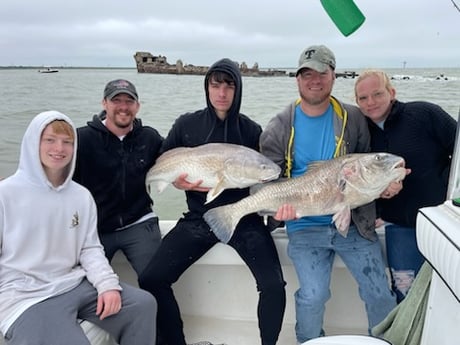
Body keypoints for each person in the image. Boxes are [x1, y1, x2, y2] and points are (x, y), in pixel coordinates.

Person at [138, 58, 287, 345]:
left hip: (244, 218)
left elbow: (268, 179)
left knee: (273, 286)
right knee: (151, 279)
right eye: (215, 85)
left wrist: (278, 210)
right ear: (207, 88)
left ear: (238, 89)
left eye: (229, 86)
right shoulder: (186, 125)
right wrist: (175, 181)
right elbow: (163, 162)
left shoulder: (252, 131)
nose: (222, 93)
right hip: (198, 219)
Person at [259, 45, 398, 343]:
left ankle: (387, 341)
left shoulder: (354, 118)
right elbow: (265, 182)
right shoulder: (279, 126)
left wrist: (389, 184)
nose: (314, 80)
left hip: (355, 223)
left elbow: (373, 166)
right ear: (297, 79)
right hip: (304, 224)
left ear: (333, 75)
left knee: (379, 291)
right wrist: (276, 213)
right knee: (312, 295)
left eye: (322, 72)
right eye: (306, 74)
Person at [0, 110, 157, 345]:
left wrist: (107, 286)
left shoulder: (80, 196)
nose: (59, 148)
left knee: (142, 305)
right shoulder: (6, 194)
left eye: (67, 142)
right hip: (25, 296)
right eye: (50, 140)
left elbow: (90, 248)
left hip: (73, 283)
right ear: (34, 142)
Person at [354, 69, 457, 303]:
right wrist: (378, 206)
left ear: (392, 92)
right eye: (363, 98)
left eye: (377, 94)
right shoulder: (362, 132)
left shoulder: (424, 113)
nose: (370, 102)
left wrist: (449, 190)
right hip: (397, 226)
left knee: (447, 295)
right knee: (405, 293)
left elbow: (458, 151)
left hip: (440, 221)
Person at [73, 79, 164, 278]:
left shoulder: (150, 138)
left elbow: (175, 163)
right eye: (117, 100)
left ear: (137, 106)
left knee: (157, 279)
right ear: (104, 103)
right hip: (95, 228)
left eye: (129, 101)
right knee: (80, 284)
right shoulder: (82, 139)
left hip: (139, 222)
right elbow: (55, 178)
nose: (123, 107)